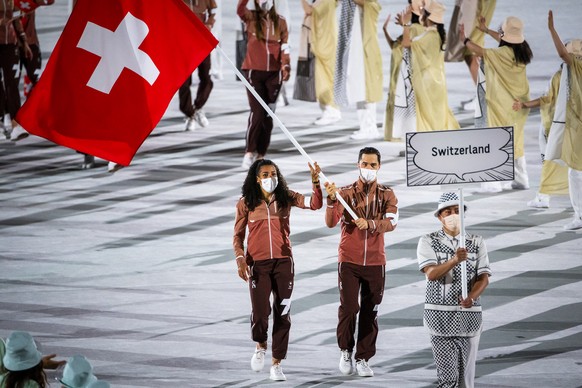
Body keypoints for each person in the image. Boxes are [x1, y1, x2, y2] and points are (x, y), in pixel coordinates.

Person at [233, 159, 322, 381]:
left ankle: (277, 363)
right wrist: (240, 259)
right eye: (265, 174)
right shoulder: (246, 202)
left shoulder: (286, 197)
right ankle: (261, 344)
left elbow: (314, 204)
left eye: (273, 173)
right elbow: (237, 236)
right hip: (258, 264)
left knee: (283, 313)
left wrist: (315, 181)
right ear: (256, 178)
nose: (269, 177)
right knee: (261, 312)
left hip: (283, 262)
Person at [324, 146, 398, 377]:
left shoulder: (388, 194)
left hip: (376, 262)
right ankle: (345, 350)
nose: (368, 168)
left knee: (370, 310)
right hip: (349, 260)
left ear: (379, 167)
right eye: (364, 164)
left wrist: (372, 224)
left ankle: (363, 357)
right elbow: (330, 222)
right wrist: (330, 199)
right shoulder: (344, 193)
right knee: (349, 308)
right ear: (358, 165)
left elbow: (392, 222)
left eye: (372, 165)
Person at [417, 192, 491, 388]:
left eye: (457, 211)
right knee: (448, 379)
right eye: (448, 212)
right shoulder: (428, 240)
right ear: (439, 216)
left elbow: (484, 277)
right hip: (439, 319)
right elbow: (431, 274)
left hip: (469, 318)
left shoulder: (476, 241)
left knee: (466, 381)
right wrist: (454, 260)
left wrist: (472, 297)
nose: (452, 215)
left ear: (464, 214)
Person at [461, 16, 533, 191]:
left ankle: (492, 183)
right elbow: (503, 40)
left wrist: (463, 38)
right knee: (515, 140)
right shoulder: (523, 50)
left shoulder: (501, 54)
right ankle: (521, 179)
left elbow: (479, 51)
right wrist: (486, 30)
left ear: (504, 34)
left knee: (493, 139)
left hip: (501, 105)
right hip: (519, 105)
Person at [512, 42, 580, 208]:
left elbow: (547, 99)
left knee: (549, 161)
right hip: (573, 127)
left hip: (556, 126)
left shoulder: (561, 75)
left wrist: (525, 105)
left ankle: (544, 197)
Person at [237, 0, 290, 169]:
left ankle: (261, 153)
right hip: (253, 72)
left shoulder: (280, 21)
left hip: (274, 75)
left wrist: (286, 65)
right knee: (258, 112)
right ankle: (249, 151)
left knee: (268, 116)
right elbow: (240, 9)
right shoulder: (251, 18)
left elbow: (285, 46)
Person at [399, 0, 460, 132]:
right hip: (438, 80)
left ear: (428, 17)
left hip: (426, 82)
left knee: (427, 115)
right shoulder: (439, 35)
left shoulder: (429, 36)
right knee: (438, 114)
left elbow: (406, 44)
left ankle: (430, 141)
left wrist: (405, 24)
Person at [546, 10, 582, 230]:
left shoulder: (576, 67)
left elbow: (562, 56)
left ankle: (579, 216)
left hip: (577, 128)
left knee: (575, 172)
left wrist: (552, 29)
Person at [334, 0, 383, 140]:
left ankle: (370, 127)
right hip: (357, 52)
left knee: (366, 91)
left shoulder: (370, 5)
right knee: (357, 88)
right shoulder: (354, 8)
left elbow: (367, 4)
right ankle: (364, 126)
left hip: (366, 53)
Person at [382, 0, 424, 141]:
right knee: (401, 108)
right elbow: (396, 46)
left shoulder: (417, 29)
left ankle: (412, 139)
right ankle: (404, 137)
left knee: (410, 111)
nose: (407, 8)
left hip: (409, 77)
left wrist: (405, 25)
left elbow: (407, 45)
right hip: (399, 75)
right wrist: (385, 31)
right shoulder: (410, 29)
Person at [444, 0, 497, 111]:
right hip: (478, 8)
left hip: (474, 9)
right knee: (474, 50)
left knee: (471, 52)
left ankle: (483, 96)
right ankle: (483, 94)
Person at [301, 0, 341, 126]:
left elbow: (309, 11)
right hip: (322, 43)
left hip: (325, 45)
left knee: (325, 79)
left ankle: (332, 111)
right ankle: (327, 110)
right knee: (320, 79)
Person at [179, 0, 217, 132]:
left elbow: (214, 12)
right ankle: (190, 114)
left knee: (206, 79)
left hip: (202, 43)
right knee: (183, 82)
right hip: (183, 44)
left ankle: (198, 107)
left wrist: (208, 25)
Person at [0, 0, 33, 142]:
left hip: (10, 45)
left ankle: (16, 125)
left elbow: (16, 20)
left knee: (12, 84)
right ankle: (4, 115)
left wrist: (24, 43)